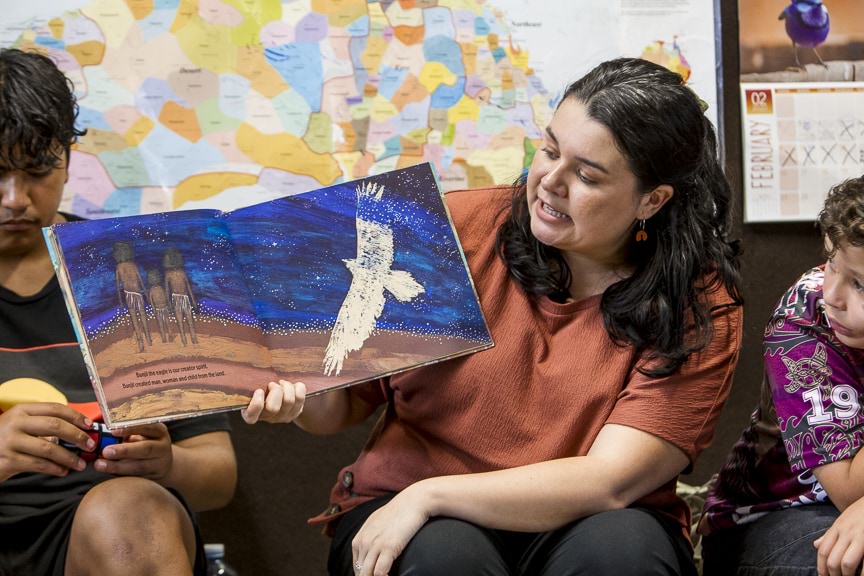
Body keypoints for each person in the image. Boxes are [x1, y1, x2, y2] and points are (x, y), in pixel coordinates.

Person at [244, 57, 744, 576]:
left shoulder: (696, 299)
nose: (550, 181)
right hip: (407, 508)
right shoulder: (452, 229)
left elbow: (610, 482)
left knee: (622, 553)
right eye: (549, 150)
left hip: (587, 517)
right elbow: (342, 407)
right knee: (445, 560)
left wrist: (431, 495)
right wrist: (299, 394)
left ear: (652, 200)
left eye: (587, 175)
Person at [0, 47, 237, 576]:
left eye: (36, 170)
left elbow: (219, 477)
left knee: (127, 512)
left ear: (68, 155)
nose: (14, 198)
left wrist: (169, 463)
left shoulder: (141, 272)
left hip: (112, 528)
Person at [700, 175, 864, 576]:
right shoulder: (803, 321)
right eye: (832, 263)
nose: (833, 295)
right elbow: (848, 489)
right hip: (775, 513)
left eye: (861, 285)